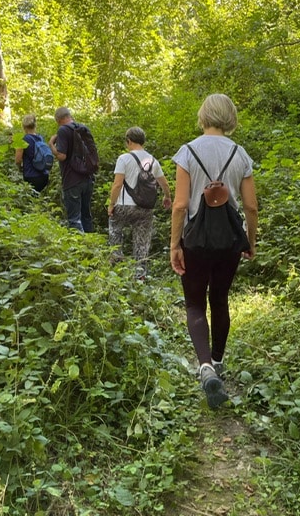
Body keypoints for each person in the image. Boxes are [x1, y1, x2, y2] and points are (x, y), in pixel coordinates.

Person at [170, 94, 258, 409]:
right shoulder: (241, 154)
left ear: (204, 115)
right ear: (230, 117)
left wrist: (174, 244)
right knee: (219, 300)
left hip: (194, 241)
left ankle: (205, 367)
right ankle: (218, 362)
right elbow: (250, 205)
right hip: (228, 243)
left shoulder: (188, 152)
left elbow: (180, 204)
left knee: (194, 304)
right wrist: (250, 240)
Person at [108, 126, 172, 277]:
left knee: (115, 228)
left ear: (129, 141)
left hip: (124, 206)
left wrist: (111, 204)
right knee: (142, 241)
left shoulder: (123, 159)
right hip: (145, 208)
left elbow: (117, 184)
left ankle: (117, 268)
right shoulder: (153, 161)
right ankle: (140, 275)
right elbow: (164, 184)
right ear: (143, 141)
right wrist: (167, 197)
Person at [49, 107, 96, 232]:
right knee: (86, 215)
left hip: (72, 180)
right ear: (69, 116)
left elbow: (61, 156)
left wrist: (51, 145)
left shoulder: (63, 130)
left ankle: (80, 248)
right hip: (87, 177)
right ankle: (92, 245)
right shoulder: (83, 128)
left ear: (58, 120)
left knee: (74, 219)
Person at [15, 114, 50, 194]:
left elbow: (18, 160)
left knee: (32, 202)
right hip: (44, 175)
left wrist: (20, 168)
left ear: (23, 127)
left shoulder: (22, 140)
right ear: (35, 126)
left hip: (31, 176)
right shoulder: (40, 138)